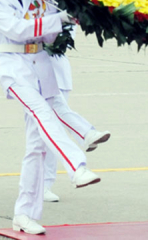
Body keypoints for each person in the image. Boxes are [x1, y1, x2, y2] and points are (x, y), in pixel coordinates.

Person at [0, 0, 103, 235]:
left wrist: (62, 17)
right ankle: (77, 166)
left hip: (41, 62)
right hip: (12, 64)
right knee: (41, 112)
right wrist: (52, 20)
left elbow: (47, 34)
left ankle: (25, 213)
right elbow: (15, 29)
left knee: (36, 147)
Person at [43, 54, 110, 203]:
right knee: (47, 131)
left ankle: (44, 185)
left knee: (51, 131)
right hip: (39, 73)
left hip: (58, 73)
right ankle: (86, 134)